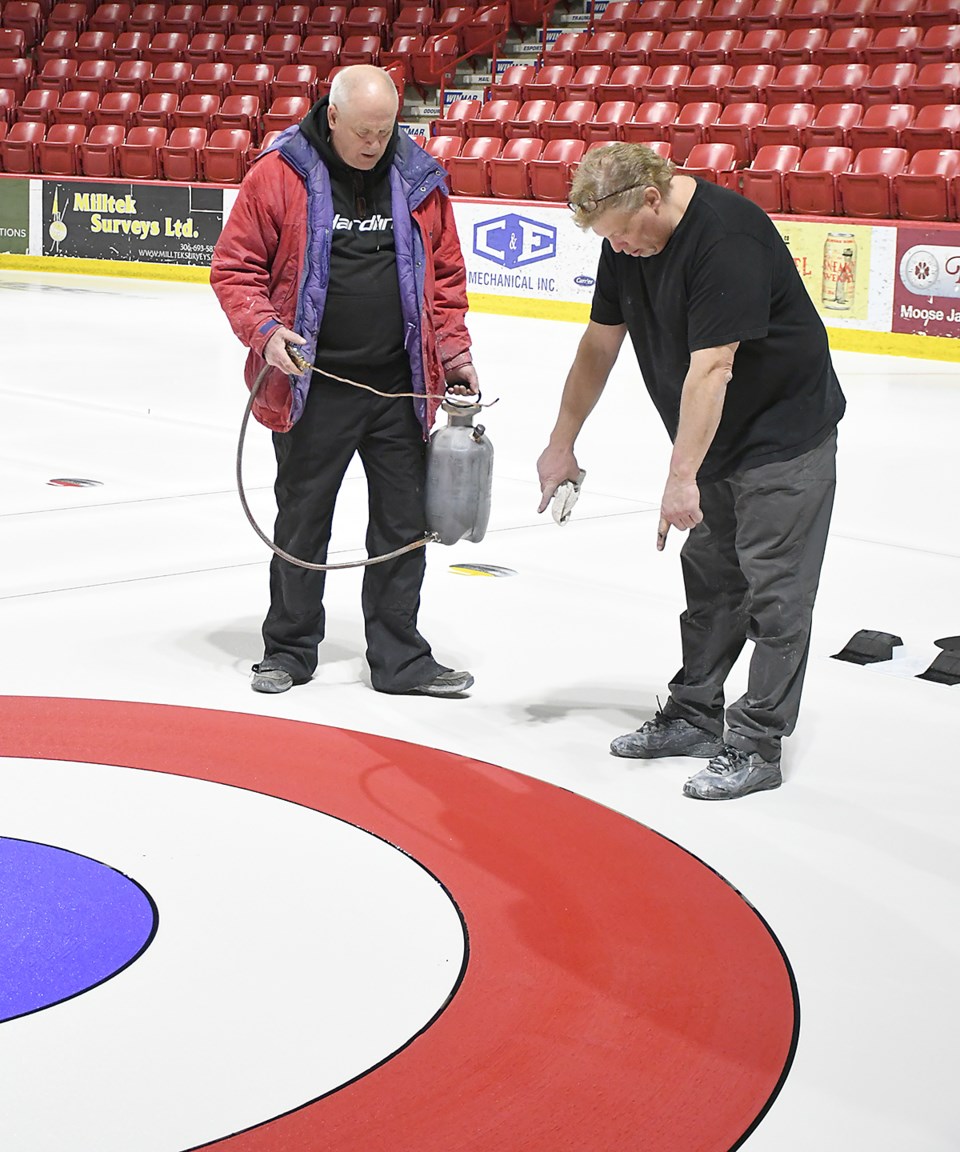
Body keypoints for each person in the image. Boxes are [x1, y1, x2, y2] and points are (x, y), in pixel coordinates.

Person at [537, 143, 846, 800]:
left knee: (776, 596)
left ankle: (757, 743)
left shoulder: (726, 235)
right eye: (606, 240)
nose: (618, 250)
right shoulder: (626, 240)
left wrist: (681, 479)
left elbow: (713, 368)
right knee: (710, 584)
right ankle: (695, 714)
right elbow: (599, 342)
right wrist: (562, 442)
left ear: (652, 197)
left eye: (622, 234)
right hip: (715, 444)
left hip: (782, 439)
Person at [211, 65, 479, 698]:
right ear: (331, 116)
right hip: (311, 385)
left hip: (400, 386)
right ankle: (290, 649)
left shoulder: (417, 177)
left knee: (402, 526)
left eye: (385, 131)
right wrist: (268, 333)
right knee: (302, 523)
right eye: (363, 131)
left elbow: (444, 280)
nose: (374, 143)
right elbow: (235, 268)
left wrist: (455, 353)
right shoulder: (279, 174)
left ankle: (400, 659)